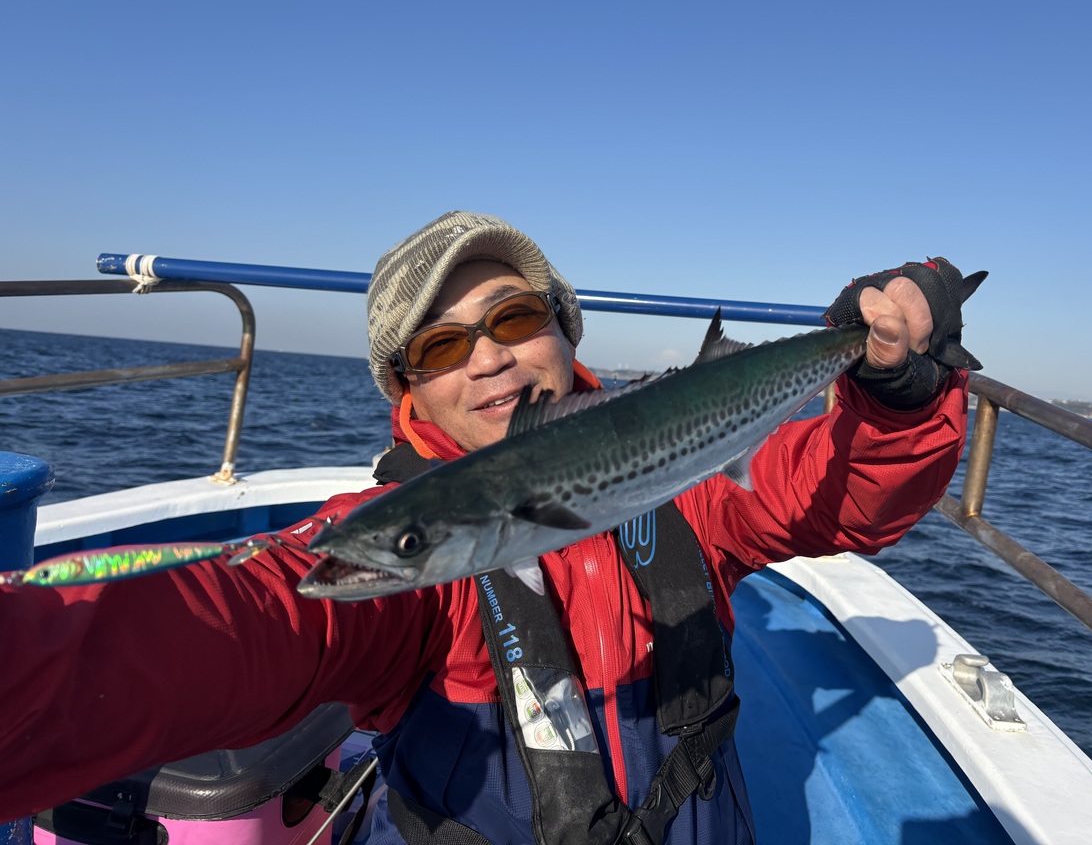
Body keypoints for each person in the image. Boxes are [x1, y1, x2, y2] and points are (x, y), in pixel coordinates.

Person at [0, 211, 981, 844]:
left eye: (512, 320)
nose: (488, 360)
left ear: (562, 327)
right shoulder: (407, 556)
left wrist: (893, 396)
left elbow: (835, 496)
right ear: (408, 389)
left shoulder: (687, 492)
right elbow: (237, 621)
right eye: (440, 345)